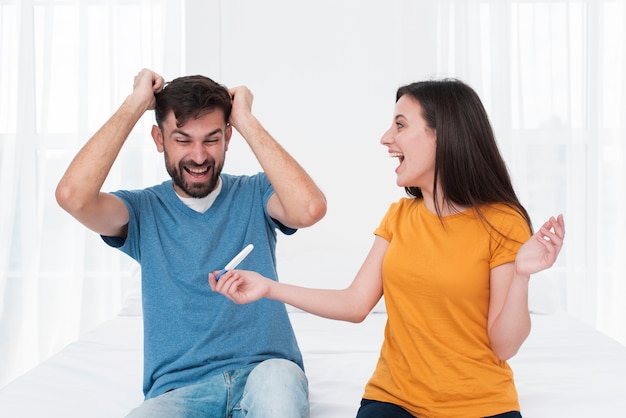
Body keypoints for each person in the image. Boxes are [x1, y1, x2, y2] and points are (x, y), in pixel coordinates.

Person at [210, 78, 566, 418]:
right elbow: (354, 304)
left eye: (400, 125)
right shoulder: (400, 216)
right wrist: (268, 287)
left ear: (443, 136)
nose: (385, 138)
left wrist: (521, 276)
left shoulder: (502, 222)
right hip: (395, 402)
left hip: (481, 405)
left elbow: (505, 346)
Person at [55, 68, 327, 418]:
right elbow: (72, 196)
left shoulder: (256, 194)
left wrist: (245, 119)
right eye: (183, 140)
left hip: (266, 374)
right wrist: (136, 103)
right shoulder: (141, 211)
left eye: (212, 139)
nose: (199, 156)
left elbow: (310, 208)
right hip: (178, 391)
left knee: (279, 388)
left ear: (228, 137)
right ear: (159, 139)